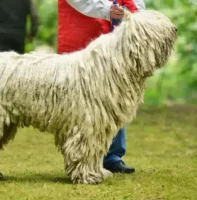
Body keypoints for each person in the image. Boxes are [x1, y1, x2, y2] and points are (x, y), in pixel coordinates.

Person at [58, 0, 145, 173]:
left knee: (114, 98)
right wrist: (107, 10)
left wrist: (138, 15)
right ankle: (81, 159)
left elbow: (136, 4)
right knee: (82, 109)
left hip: (114, 42)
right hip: (80, 39)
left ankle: (112, 157)